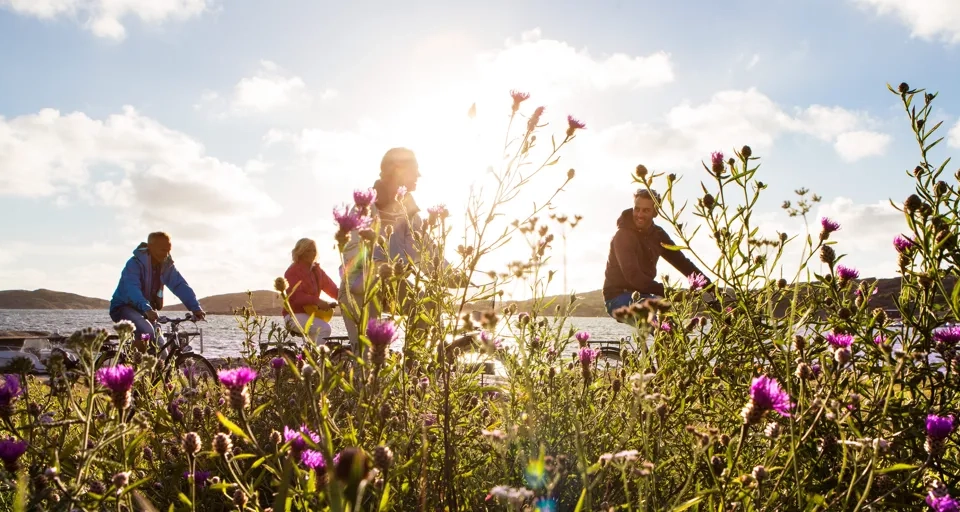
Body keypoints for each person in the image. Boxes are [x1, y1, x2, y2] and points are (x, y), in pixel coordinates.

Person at [339, 147, 457, 345]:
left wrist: (449, 274)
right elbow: (351, 251)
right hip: (360, 286)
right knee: (368, 356)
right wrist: (380, 266)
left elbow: (425, 250)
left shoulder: (410, 214)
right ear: (397, 169)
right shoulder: (364, 208)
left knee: (425, 310)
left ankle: (413, 369)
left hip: (392, 284)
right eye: (415, 170)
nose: (418, 176)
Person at [602, 189, 709, 317]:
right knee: (662, 324)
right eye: (637, 209)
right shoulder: (623, 236)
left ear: (655, 212)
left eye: (646, 210)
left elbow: (682, 262)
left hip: (644, 294)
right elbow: (633, 276)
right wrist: (670, 293)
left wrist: (710, 288)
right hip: (617, 297)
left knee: (671, 322)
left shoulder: (658, 234)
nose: (639, 214)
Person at [109, 232, 205, 350]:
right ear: (150, 247)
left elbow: (180, 285)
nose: (166, 254)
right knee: (146, 331)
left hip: (146, 311)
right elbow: (132, 289)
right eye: (162, 250)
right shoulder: (134, 263)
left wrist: (195, 307)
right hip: (123, 307)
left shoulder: (166, 265)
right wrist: (147, 308)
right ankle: (131, 367)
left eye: (168, 250)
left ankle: (153, 366)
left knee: (161, 350)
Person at [283, 238, 339, 342]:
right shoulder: (292, 272)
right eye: (308, 250)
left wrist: (347, 298)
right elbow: (296, 297)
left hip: (312, 314)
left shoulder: (317, 271)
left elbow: (333, 289)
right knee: (324, 329)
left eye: (314, 250)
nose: (312, 253)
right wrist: (317, 301)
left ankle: (307, 357)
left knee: (310, 346)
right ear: (300, 252)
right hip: (294, 315)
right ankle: (319, 358)